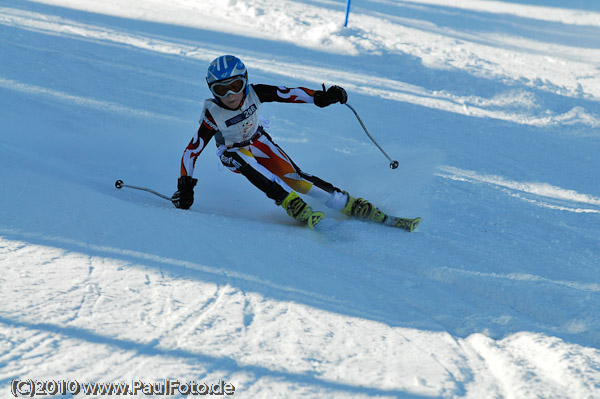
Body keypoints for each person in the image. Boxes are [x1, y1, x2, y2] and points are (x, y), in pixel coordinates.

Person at [171, 55, 386, 229]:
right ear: (211, 90)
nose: (230, 95)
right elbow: (192, 151)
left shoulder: (256, 92)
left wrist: (321, 97)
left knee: (296, 178)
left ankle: (344, 202)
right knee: (246, 163)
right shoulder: (213, 115)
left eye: (236, 85)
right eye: (221, 89)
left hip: (257, 139)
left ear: (244, 80)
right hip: (231, 151)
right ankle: (287, 200)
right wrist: (186, 186)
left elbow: (289, 94)